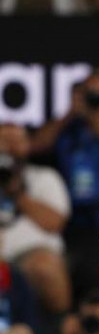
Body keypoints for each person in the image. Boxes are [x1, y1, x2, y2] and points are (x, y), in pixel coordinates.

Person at [31, 69, 99, 299]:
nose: (94, 99)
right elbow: (35, 147)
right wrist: (70, 114)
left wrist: (98, 123)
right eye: (90, 93)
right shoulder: (68, 129)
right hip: (72, 220)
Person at [0, 123, 72, 316]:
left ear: (28, 146)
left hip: (28, 259)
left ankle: (60, 332)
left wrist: (15, 193)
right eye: (5, 141)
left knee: (45, 267)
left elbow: (54, 222)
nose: (11, 148)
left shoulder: (44, 178)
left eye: (18, 141)